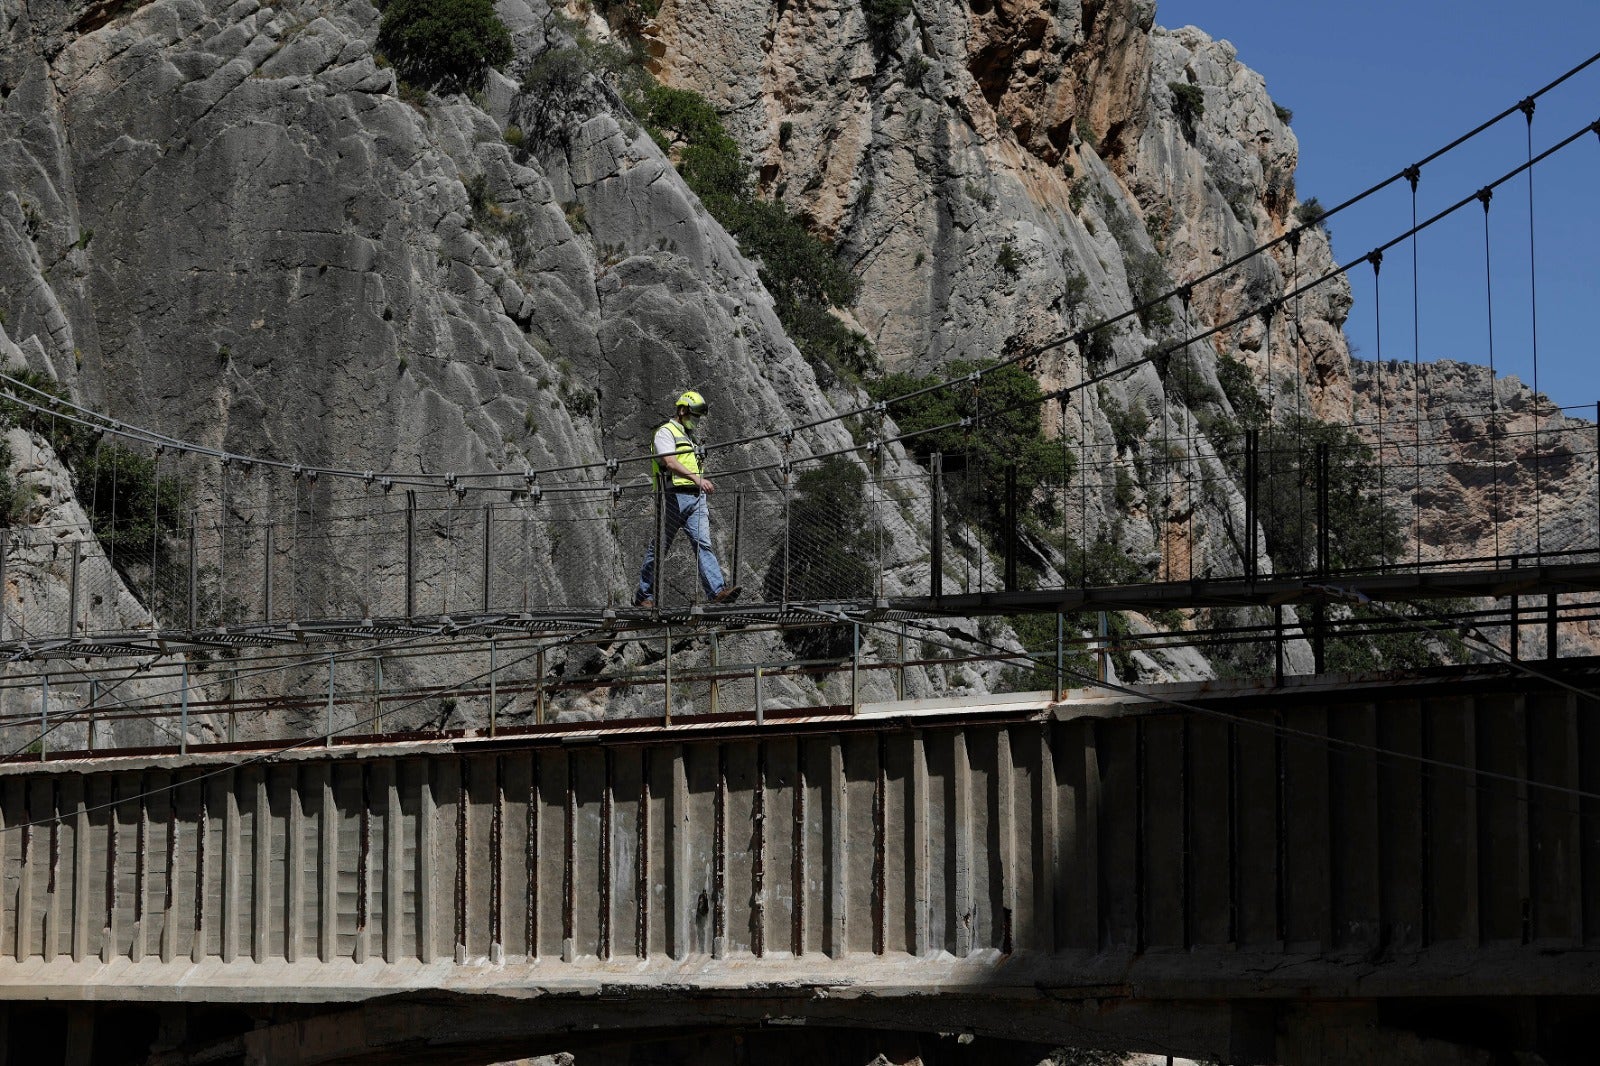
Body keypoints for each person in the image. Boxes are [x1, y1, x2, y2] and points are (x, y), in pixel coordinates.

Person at [634, 390, 741, 608]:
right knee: (660, 548)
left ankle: (717, 593)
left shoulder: (689, 438)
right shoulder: (666, 432)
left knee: (704, 545)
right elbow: (670, 462)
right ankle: (644, 595)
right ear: (682, 410)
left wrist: (699, 482)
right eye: (694, 415)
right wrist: (698, 479)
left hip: (695, 499)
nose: (696, 420)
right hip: (671, 498)